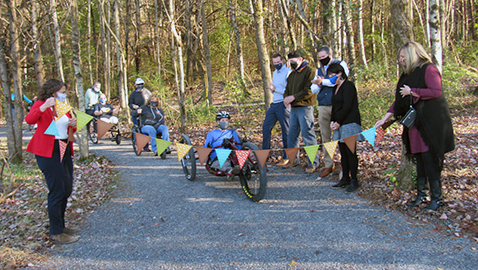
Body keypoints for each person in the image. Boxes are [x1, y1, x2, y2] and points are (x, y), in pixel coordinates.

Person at [375, 41, 454, 211]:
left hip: (430, 124)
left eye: (403, 57)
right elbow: (399, 102)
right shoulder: (406, 74)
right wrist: (384, 119)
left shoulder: (429, 69)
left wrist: (413, 91)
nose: (401, 60)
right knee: (419, 160)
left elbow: (436, 91)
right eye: (400, 57)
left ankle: (437, 198)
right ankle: (421, 195)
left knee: (429, 159)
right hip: (414, 124)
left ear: (413, 55)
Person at [25, 79, 79, 244]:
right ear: (53, 91)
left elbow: (69, 128)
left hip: (63, 146)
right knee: (56, 191)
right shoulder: (41, 104)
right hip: (47, 151)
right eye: (62, 90)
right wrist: (43, 106)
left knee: (66, 189)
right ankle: (56, 232)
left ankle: (61, 225)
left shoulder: (62, 106)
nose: (64, 94)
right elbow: (29, 120)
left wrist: (74, 124)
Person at [311, 46, 350, 177]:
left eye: (324, 57)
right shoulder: (318, 70)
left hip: (337, 105)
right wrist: (319, 83)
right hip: (323, 105)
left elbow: (337, 81)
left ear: (330, 54)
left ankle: (346, 165)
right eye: (320, 58)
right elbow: (314, 89)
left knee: (343, 135)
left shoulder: (340, 65)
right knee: (325, 135)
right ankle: (328, 164)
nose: (322, 59)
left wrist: (322, 82)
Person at [327, 63, 364, 193]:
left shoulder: (348, 86)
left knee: (350, 152)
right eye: (329, 75)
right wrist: (333, 121)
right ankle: (345, 178)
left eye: (332, 75)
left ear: (340, 74)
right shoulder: (335, 88)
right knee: (343, 153)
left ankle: (354, 179)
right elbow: (335, 106)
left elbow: (348, 106)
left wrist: (339, 121)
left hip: (349, 122)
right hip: (339, 123)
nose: (330, 77)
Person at [283, 50, 320, 173]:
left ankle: (313, 162)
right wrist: (286, 98)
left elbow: (310, 90)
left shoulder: (310, 71)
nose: (292, 64)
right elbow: (287, 89)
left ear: (300, 59)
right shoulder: (292, 75)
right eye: (290, 62)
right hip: (293, 108)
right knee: (292, 135)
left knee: (308, 134)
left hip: (305, 107)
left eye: (293, 61)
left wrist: (293, 97)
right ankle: (293, 160)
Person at [262, 53, 291, 166]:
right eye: (274, 63)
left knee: (286, 131)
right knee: (266, 127)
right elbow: (276, 89)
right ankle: (265, 154)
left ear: (283, 61)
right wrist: (272, 90)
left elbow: (288, 90)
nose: (276, 64)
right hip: (274, 103)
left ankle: (287, 157)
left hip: (283, 104)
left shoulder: (288, 72)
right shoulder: (274, 73)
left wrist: (276, 88)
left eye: (278, 62)